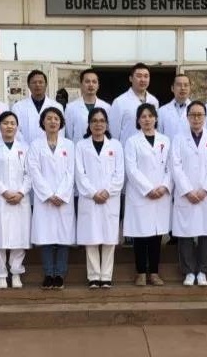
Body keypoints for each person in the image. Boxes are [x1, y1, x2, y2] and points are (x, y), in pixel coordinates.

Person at [171, 101, 207, 286]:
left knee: (206, 233)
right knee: (185, 234)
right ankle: (188, 271)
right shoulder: (178, 139)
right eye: (193, 115)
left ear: (205, 117)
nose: (196, 118)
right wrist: (187, 190)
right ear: (187, 117)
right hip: (186, 195)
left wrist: (205, 190)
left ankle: (203, 271)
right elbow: (175, 166)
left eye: (200, 115)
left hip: (206, 195)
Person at [75, 108, 124, 288]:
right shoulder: (81, 146)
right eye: (94, 121)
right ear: (89, 124)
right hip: (90, 198)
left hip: (110, 199)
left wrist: (107, 192)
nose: (98, 124)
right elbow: (80, 173)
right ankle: (94, 276)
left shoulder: (116, 145)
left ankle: (106, 276)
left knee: (109, 239)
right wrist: (93, 193)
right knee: (91, 238)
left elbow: (120, 173)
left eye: (102, 121)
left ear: (107, 124)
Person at [27, 107, 76, 290]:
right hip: (45, 199)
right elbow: (34, 171)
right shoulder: (35, 145)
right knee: (46, 237)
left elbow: (71, 172)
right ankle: (48, 273)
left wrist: (61, 194)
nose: (53, 121)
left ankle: (60, 274)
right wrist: (48, 194)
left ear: (61, 122)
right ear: (43, 122)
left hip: (64, 199)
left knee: (63, 238)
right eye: (49, 118)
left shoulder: (69, 145)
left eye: (56, 118)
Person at [124, 103, 172, 286]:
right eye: (143, 117)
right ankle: (141, 273)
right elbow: (132, 169)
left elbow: (171, 167)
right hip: (141, 194)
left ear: (156, 118)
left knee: (156, 236)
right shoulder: (132, 141)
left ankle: (154, 272)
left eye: (150, 116)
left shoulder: (165, 140)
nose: (147, 120)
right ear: (138, 120)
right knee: (140, 235)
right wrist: (148, 189)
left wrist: (164, 186)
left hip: (161, 194)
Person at [0, 111, 32, 289]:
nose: (9, 126)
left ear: (17, 127)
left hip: (20, 199)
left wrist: (21, 192)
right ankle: (1, 274)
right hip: (0, 198)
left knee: (20, 236)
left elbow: (30, 173)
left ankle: (16, 272)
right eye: (5, 123)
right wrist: (4, 192)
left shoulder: (25, 148)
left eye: (12, 123)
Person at [109, 63, 159, 146]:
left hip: (149, 149)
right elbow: (114, 133)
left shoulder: (154, 101)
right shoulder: (119, 102)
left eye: (146, 76)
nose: (143, 80)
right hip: (127, 149)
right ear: (131, 78)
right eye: (139, 76)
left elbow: (155, 127)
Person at [11, 70, 64, 144]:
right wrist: (24, 147)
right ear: (28, 85)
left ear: (46, 85)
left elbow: (60, 132)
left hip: (50, 149)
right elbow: (15, 132)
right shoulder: (18, 107)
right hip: (25, 148)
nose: (37, 85)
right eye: (34, 82)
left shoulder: (57, 106)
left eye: (41, 82)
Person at [64, 69, 111, 144]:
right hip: (78, 148)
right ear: (81, 85)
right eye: (87, 81)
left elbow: (108, 131)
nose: (91, 85)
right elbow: (69, 135)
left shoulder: (107, 107)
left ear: (98, 85)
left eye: (94, 82)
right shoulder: (70, 107)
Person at [157, 74, 191, 140]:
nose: (183, 88)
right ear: (172, 88)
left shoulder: (197, 110)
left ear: (190, 88)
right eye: (179, 85)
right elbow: (159, 136)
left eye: (186, 85)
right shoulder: (162, 111)